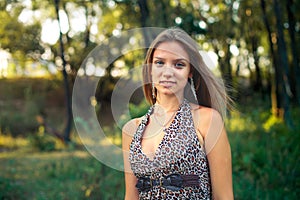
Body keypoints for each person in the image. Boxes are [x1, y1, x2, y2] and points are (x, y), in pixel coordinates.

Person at [122, 27, 233, 199]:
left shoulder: (207, 120)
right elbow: (131, 197)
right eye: (160, 62)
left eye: (178, 64)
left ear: (190, 72)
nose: (168, 72)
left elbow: (223, 197)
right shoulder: (131, 129)